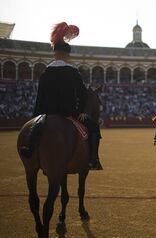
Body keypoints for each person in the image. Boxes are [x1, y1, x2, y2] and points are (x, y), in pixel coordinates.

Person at [23, 22, 102, 170]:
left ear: (55, 53)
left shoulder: (46, 72)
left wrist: (37, 115)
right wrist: (81, 112)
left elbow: (40, 97)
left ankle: (30, 150)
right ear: (67, 54)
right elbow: (82, 93)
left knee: (33, 131)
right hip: (68, 114)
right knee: (94, 128)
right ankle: (93, 160)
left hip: (46, 112)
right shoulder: (72, 72)